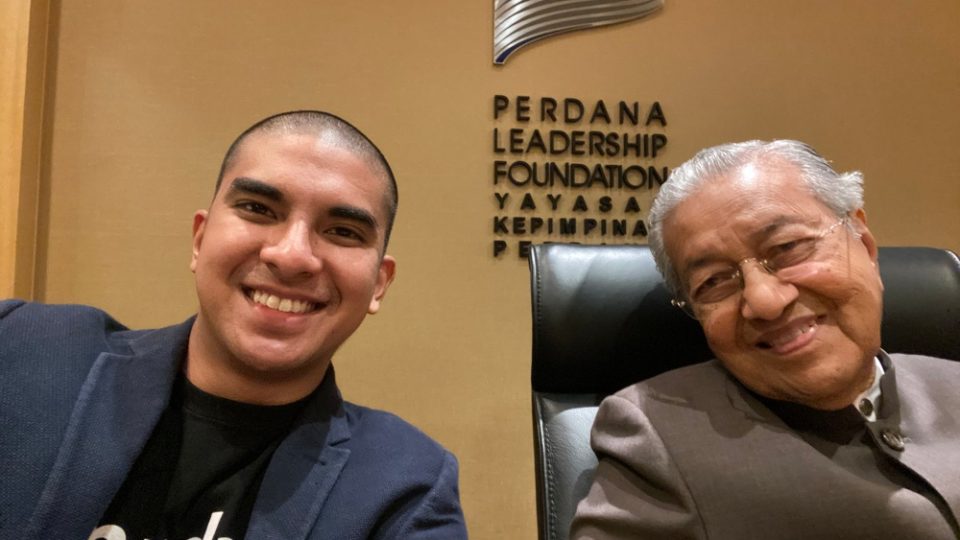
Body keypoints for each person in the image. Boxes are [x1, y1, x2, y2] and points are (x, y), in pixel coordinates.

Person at [0, 110, 467, 540]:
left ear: (379, 286)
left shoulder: (406, 487)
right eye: (258, 209)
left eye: (343, 232)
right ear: (200, 239)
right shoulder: (23, 346)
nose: (291, 256)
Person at [570, 140, 960, 539]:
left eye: (788, 248)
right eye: (714, 282)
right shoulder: (654, 435)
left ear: (863, 242)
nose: (765, 301)